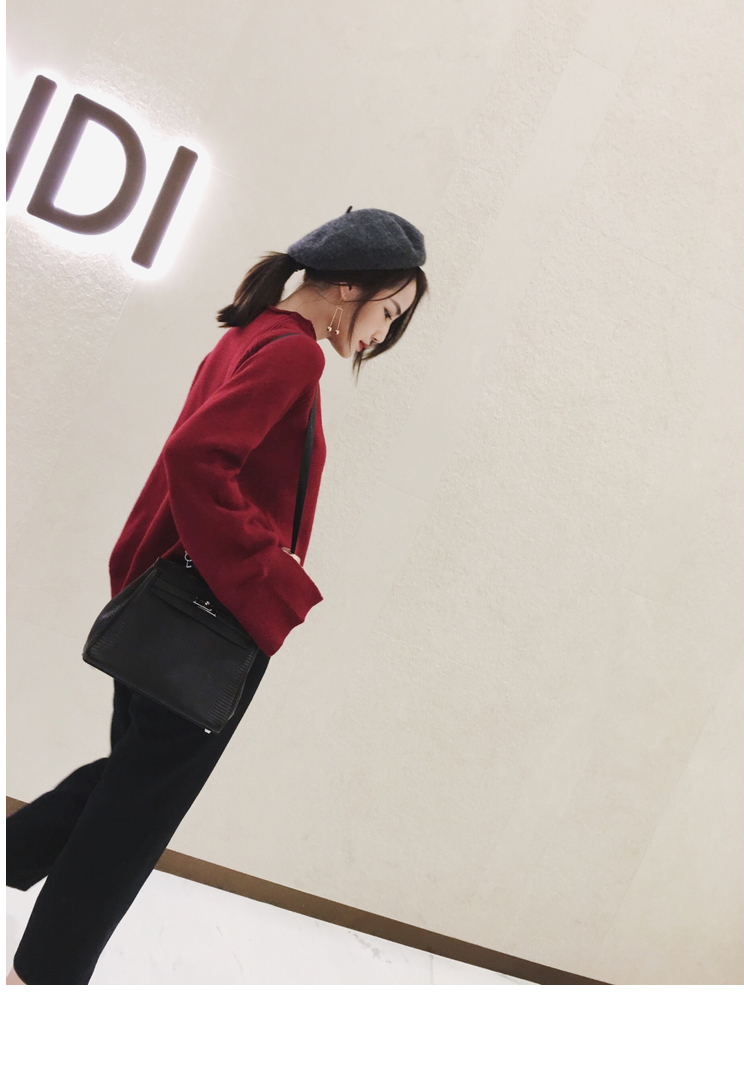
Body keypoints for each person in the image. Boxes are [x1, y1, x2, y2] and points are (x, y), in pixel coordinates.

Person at [6, 207, 428, 985]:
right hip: (211, 617)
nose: (385, 332)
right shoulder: (293, 354)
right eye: (390, 310)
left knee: (129, 784)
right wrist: (267, 575)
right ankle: (43, 981)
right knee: (136, 816)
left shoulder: (251, 333)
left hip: (163, 601)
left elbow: (190, 466)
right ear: (349, 286)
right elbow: (197, 456)